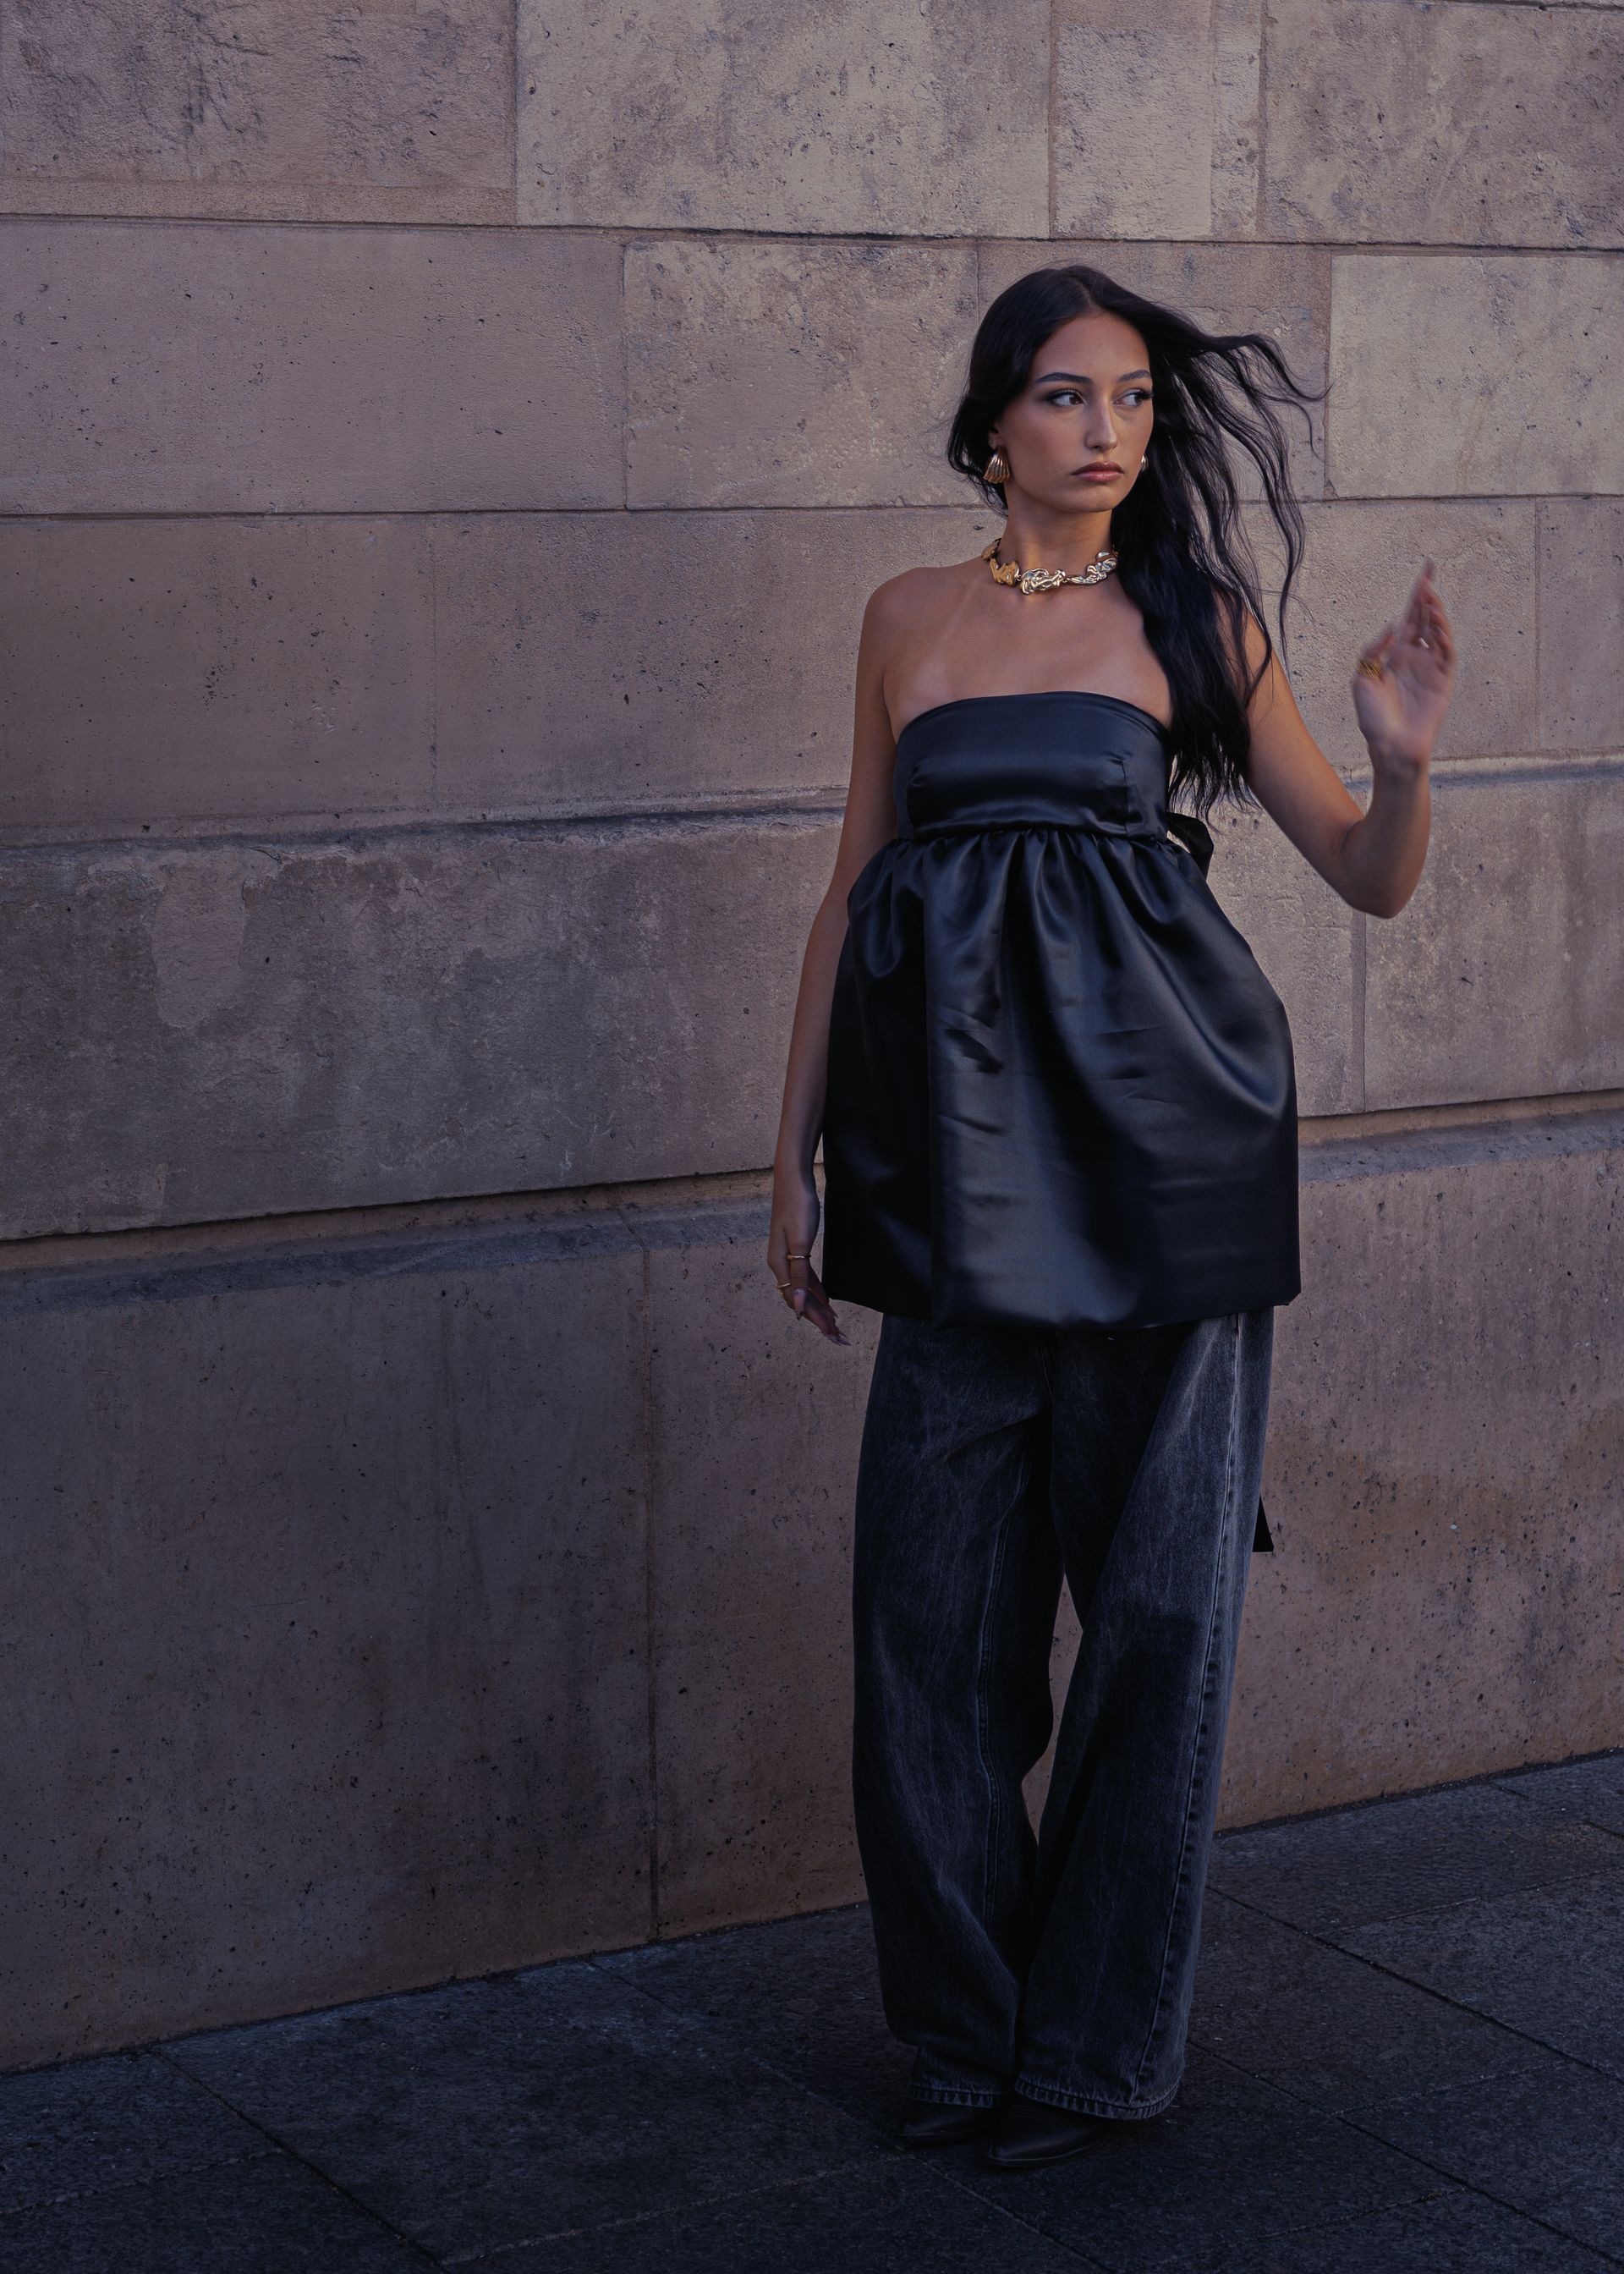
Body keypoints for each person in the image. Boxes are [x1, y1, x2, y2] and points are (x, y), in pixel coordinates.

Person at [766, 263, 1457, 2173]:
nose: (1114, 430)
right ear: (993, 421)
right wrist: (788, 1151)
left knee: (1156, 1617)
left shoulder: (1195, 615)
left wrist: (1405, 764)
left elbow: (1366, 875)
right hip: (945, 1171)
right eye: (1072, 395)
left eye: (1139, 398)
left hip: (1169, 1161)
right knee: (926, 1624)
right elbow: (853, 889)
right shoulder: (904, 617)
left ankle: (1092, 2054)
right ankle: (965, 2033)